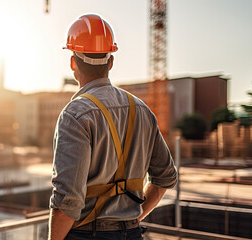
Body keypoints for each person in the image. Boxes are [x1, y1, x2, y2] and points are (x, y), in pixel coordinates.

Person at [48, 14, 178, 240]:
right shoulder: (142, 110)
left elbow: (68, 200)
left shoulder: (75, 114)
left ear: (72, 62)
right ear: (111, 61)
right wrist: (134, 220)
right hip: (133, 234)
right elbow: (165, 178)